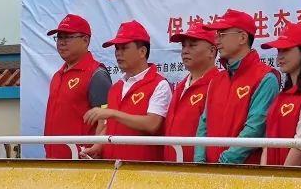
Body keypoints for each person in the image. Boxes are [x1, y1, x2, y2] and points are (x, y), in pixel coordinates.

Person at [195, 9, 280, 164]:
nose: (216, 40)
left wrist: (223, 162)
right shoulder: (216, 80)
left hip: (243, 174)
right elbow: (204, 124)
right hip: (209, 172)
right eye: (217, 34)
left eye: (222, 34)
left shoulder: (266, 78)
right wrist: (199, 161)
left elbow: (255, 128)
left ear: (242, 37)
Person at [82, 21, 170, 161]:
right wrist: (98, 147)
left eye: (124, 48)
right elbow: (110, 126)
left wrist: (113, 113)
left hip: (142, 169)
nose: (118, 53)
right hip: (113, 168)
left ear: (142, 52)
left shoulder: (159, 84)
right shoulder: (116, 87)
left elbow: (152, 124)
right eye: (117, 48)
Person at [43, 13, 112, 159]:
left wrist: (95, 150)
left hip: (81, 162)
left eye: (68, 37)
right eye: (59, 37)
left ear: (85, 40)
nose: (61, 42)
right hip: (53, 160)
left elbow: (105, 120)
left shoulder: (96, 74)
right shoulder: (57, 76)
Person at [260, 24, 301, 167]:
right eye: (279, 50)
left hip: (298, 177)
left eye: (286, 49)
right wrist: (264, 173)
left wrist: (281, 176)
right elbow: (268, 141)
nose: (280, 56)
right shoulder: (282, 95)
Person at [163, 22, 219, 162]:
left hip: (198, 170)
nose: (185, 51)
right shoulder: (180, 86)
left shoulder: (218, 85)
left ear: (212, 51)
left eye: (192, 45)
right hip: (171, 168)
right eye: (183, 46)